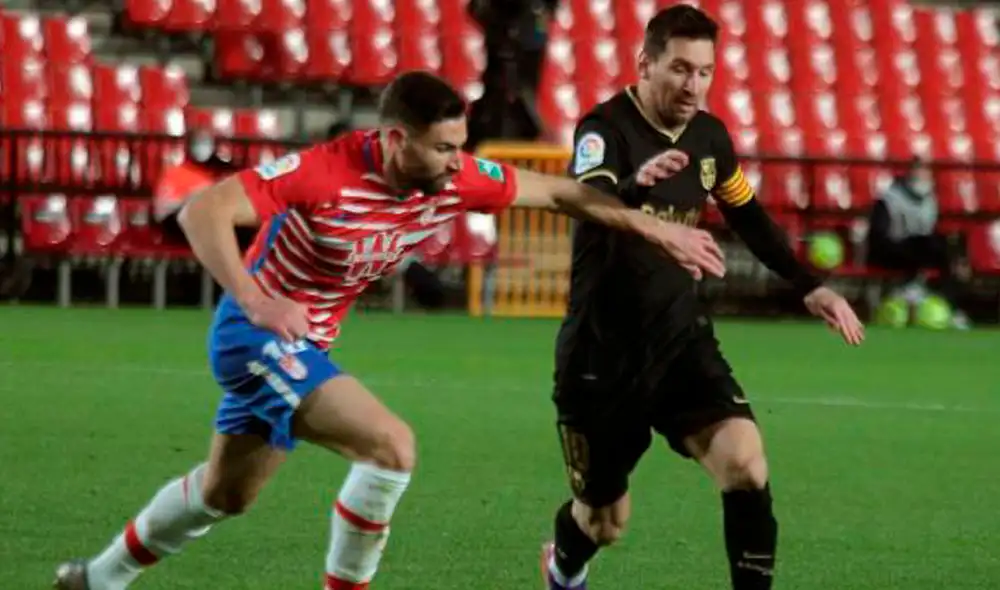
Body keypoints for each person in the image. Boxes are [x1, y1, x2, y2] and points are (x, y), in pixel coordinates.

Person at [52, 70, 726, 590]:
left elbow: (556, 192)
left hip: (304, 346)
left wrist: (652, 226)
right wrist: (256, 300)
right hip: (255, 338)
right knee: (391, 448)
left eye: (461, 147)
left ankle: (98, 578)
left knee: (224, 494)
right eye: (444, 148)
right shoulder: (326, 171)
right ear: (398, 140)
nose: (458, 162)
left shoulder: (453, 178)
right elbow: (204, 210)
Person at [540, 6, 866, 590]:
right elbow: (591, 200)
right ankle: (563, 568)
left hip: (680, 340)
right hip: (602, 355)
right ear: (645, 63)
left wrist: (809, 285)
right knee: (605, 522)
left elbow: (748, 214)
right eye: (680, 69)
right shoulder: (604, 129)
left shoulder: (710, 139)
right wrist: (638, 189)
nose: (693, 85)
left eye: (705, 72)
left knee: (745, 462)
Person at [866, 158, 971, 328]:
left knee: (947, 250)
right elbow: (878, 237)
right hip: (891, 250)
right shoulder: (889, 200)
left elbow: (932, 229)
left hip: (920, 250)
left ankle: (949, 305)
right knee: (925, 245)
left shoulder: (930, 201)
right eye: (918, 172)